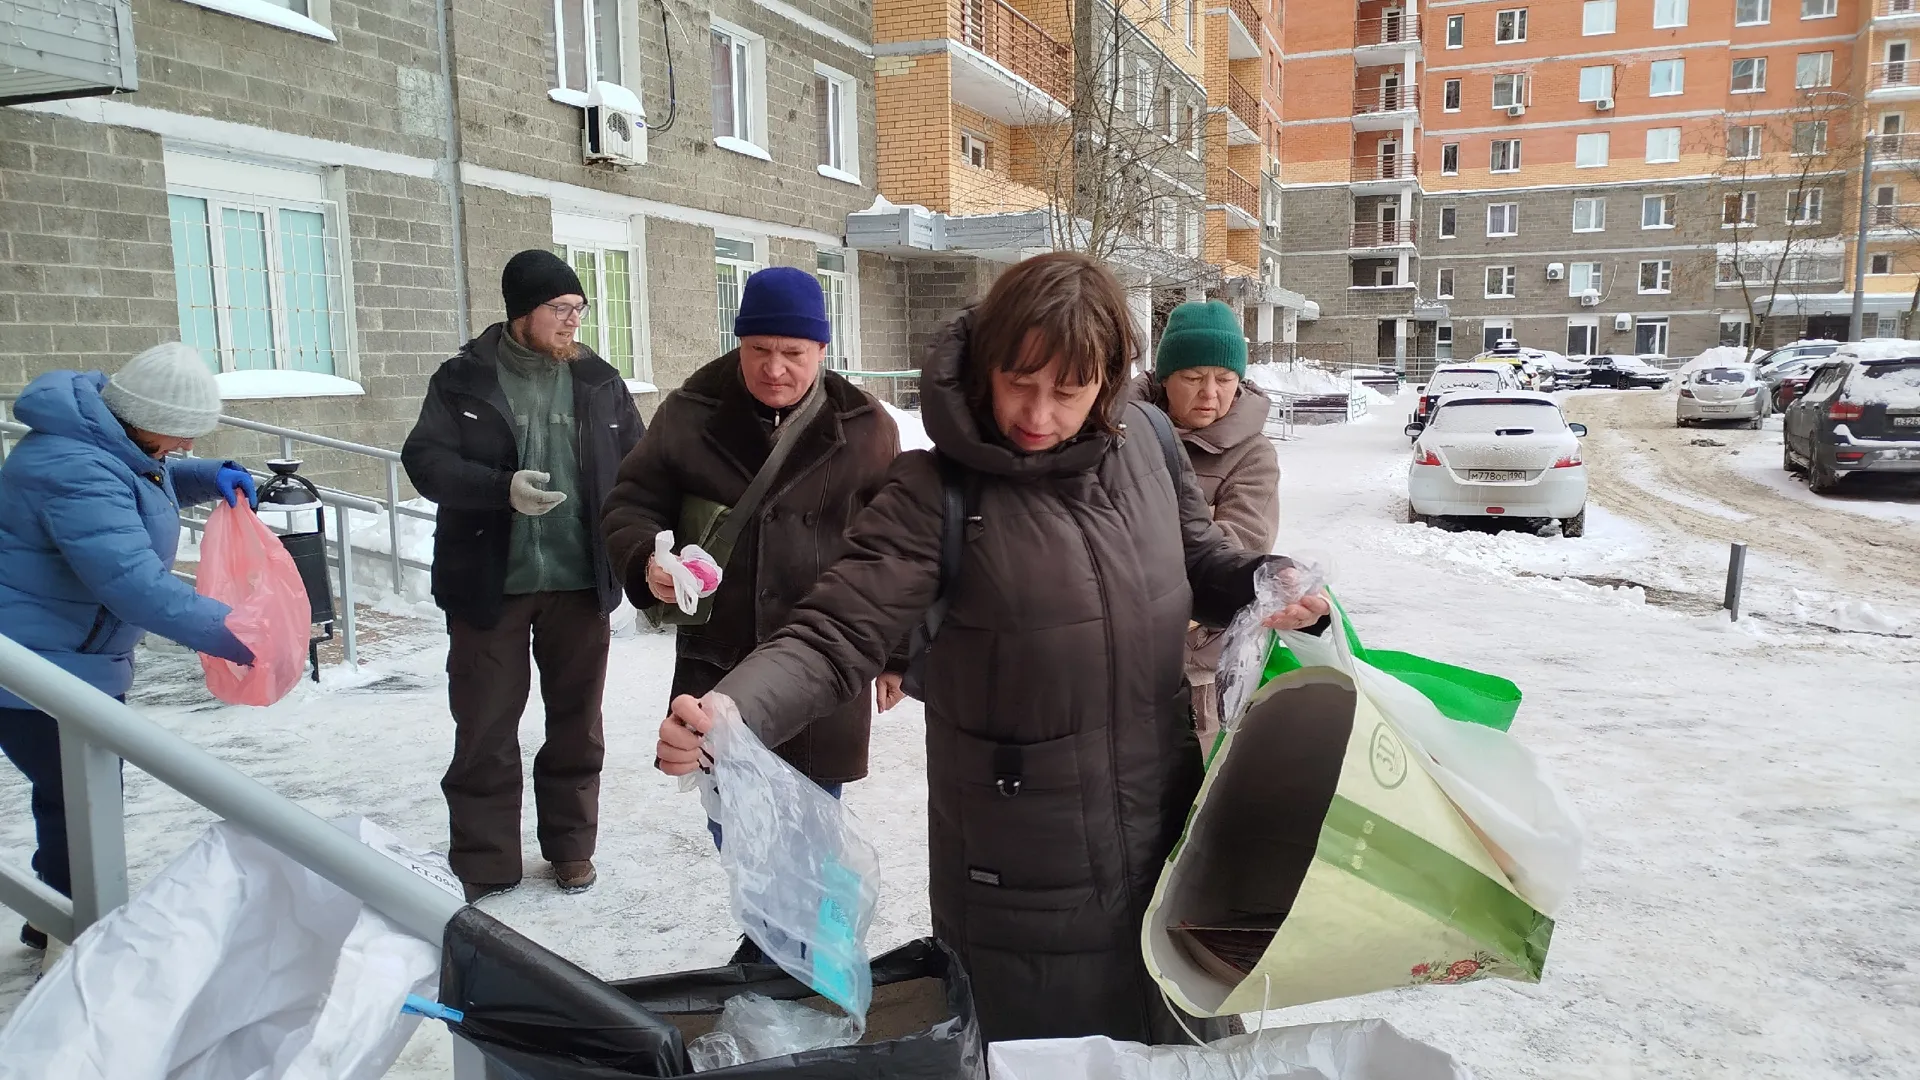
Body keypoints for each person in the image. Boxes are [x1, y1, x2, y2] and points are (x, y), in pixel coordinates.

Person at [651, 253, 1329, 1045]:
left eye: (1068, 393)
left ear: (1107, 382)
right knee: (1043, 1054)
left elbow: (1200, 558)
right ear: (985, 369)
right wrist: (733, 708)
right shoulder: (932, 493)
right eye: (1020, 383)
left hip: (1162, 829)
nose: (1038, 415)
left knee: (1179, 1040)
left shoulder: (1146, 439)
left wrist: (1266, 583)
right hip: (1023, 863)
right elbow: (832, 632)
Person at [600, 267, 899, 958]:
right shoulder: (690, 413)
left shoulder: (866, 428)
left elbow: (895, 550)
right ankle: (783, 945)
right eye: (759, 348)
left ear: (823, 351)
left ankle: (802, 958)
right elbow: (629, 501)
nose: (774, 368)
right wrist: (647, 558)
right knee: (732, 820)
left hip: (828, 668)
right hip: (721, 661)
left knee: (815, 822)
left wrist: (898, 652)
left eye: (793, 353)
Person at [402, 249, 644, 902]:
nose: (573, 322)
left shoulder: (599, 380)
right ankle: (486, 863)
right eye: (559, 309)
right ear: (522, 314)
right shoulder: (464, 379)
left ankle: (570, 849)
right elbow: (423, 460)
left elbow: (640, 471)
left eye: (578, 309)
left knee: (577, 725)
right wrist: (498, 488)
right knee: (483, 728)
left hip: (577, 583)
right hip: (489, 584)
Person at [0, 342, 258, 951]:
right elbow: (135, 587)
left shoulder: (110, 441)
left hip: (70, 660)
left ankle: (54, 913)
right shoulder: (73, 468)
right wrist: (239, 634)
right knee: (81, 805)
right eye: (179, 434)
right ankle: (80, 937)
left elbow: (146, 481)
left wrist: (203, 476)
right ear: (141, 415)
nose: (185, 447)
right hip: (39, 668)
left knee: (70, 797)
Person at [1130, 300, 1280, 747]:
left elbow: (1233, 551)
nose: (1210, 394)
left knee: (1189, 797)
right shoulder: (1119, 433)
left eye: (1225, 379)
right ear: (1164, 378)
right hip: (1113, 662)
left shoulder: (1252, 455)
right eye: (1193, 378)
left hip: (1198, 669)